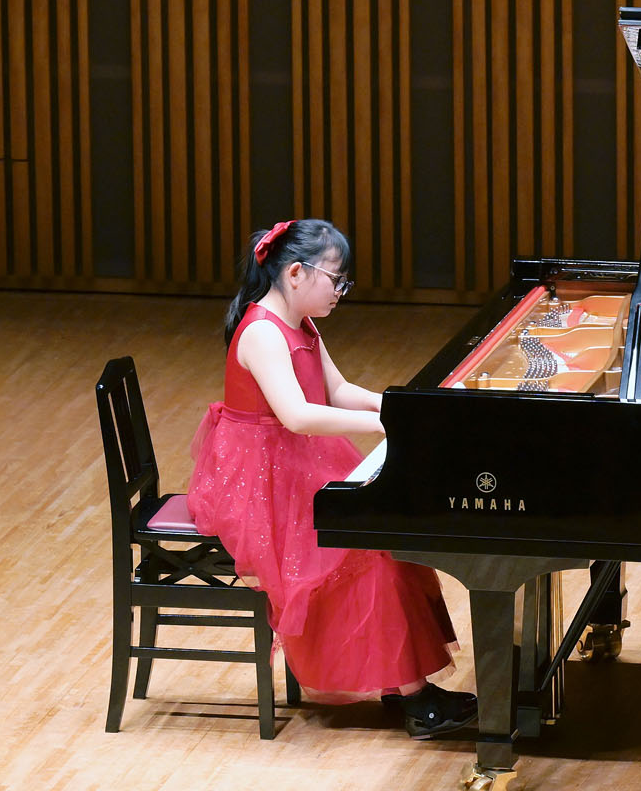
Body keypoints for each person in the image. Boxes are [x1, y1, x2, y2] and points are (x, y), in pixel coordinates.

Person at [187, 218, 476, 739]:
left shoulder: (301, 323)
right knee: (364, 549)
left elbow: (337, 390)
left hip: (294, 459)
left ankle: (402, 682)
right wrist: (386, 426)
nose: (341, 290)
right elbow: (297, 415)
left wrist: (401, 408)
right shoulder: (262, 332)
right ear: (296, 273)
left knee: (388, 531)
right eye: (336, 279)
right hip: (261, 477)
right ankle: (416, 700)